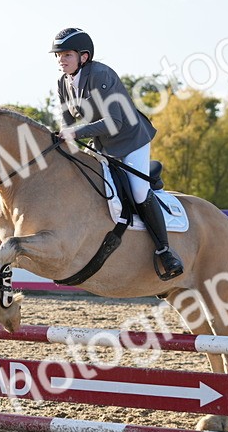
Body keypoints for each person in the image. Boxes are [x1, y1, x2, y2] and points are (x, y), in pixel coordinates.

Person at [51, 27, 183, 280]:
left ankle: (165, 250)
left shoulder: (101, 75)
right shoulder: (62, 82)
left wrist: (75, 134)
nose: (61, 60)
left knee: (138, 191)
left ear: (84, 57)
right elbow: (67, 121)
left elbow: (114, 122)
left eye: (66, 55)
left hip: (131, 140)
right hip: (103, 145)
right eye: (58, 55)